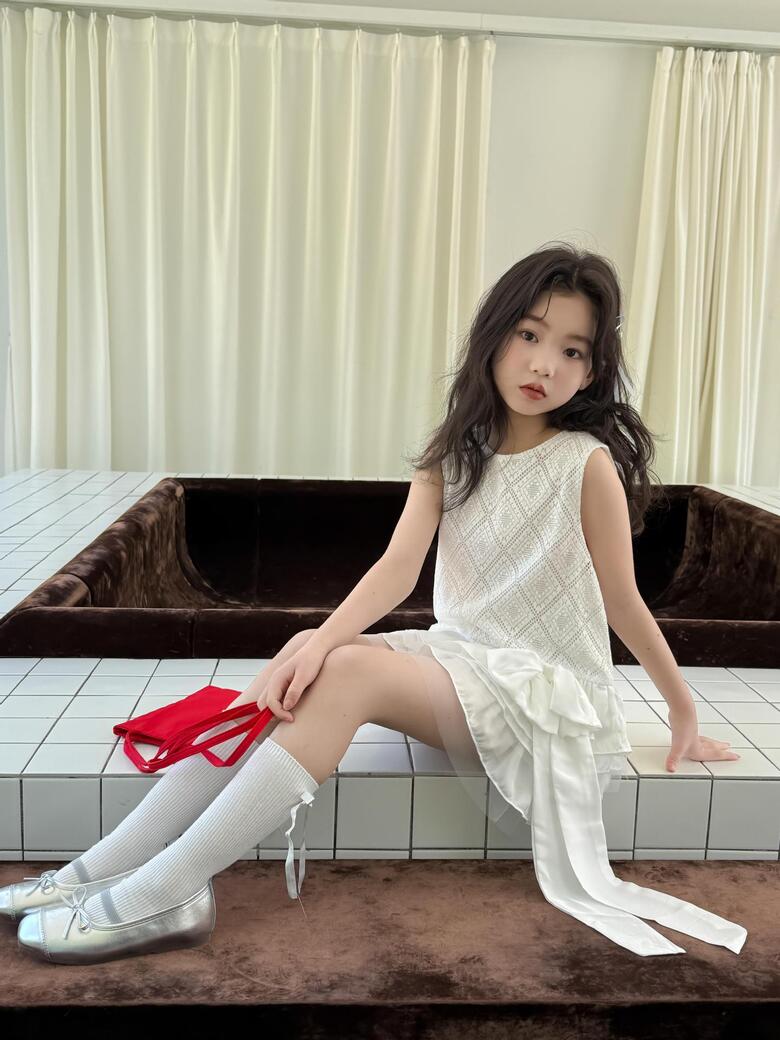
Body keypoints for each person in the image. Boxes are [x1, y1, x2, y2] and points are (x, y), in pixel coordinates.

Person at [7, 243, 747, 964]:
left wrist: (681, 712)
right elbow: (397, 570)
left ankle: (167, 890)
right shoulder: (456, 450)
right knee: (305, 654)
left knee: (346, 671)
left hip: (548, 701)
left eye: (573, 350)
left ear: (591, 372)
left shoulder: (585, 465)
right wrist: (316, 642)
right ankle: (101, 868)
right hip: (467, 664)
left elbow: (623, 602)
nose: (544, 364)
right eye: (529, 335)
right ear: (495, 334)